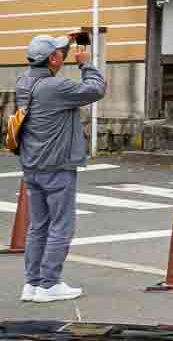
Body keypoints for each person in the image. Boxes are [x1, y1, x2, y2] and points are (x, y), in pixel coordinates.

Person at [15, 33, 106, 302]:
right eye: (59, 52)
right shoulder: (56, 87)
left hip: (32, 165)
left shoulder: (24, 82)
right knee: (61, 226)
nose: (62, 54)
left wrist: (66, 48)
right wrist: (86, 64)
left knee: (38, 226)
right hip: (56, 165)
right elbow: (96, 89)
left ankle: (32, 284)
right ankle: (49, 284)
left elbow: (52, 61)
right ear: (53, 59)